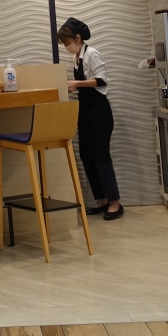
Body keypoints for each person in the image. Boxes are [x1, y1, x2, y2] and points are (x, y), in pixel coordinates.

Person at [58, 18, 122, 220]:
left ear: (78, 38)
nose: (67, 47)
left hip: (99, 111)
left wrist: (76, 83)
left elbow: (102, 80)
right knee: (87, 155)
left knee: (101, 156)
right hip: (85, 110)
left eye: (68, 43)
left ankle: (115, 202)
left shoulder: (92, 53)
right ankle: (101, 199)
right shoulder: (77, 57)